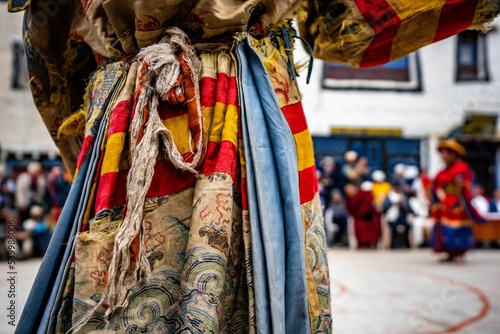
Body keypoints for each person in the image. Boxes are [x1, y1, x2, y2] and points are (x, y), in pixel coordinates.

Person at [11, 0, 498, 332]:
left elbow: (53, 63)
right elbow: (350, 23)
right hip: (246, 112)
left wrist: (87, 154)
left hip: (125, 121)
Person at [430, 139, 486, 263]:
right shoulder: (442, 172)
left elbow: (467, 186)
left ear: (453, 154)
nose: (442, 157)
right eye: (442, 153)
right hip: (444, 205)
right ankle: (449, 252)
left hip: (458, 205)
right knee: (444, 230)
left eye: (445, 153)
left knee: (458, 229)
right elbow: (436, 185)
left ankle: (459, 252)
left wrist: (459, 187)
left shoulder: (462, 169)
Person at [345, 183, 381, 249]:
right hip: (358, 219)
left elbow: (369, 206)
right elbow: (350, 209)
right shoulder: (349, 199)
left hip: (369, 218)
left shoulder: (364, 194)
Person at [383, 180, 412, 249]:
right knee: (393, 227)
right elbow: (384, 207)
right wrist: (394, 203)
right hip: (392, 217)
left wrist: (403, 205)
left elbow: (409, 209)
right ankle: (393, 245)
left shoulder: (403, 196)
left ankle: (406, 244)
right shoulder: (389, 196)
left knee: (407, 226)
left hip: (402, 217)